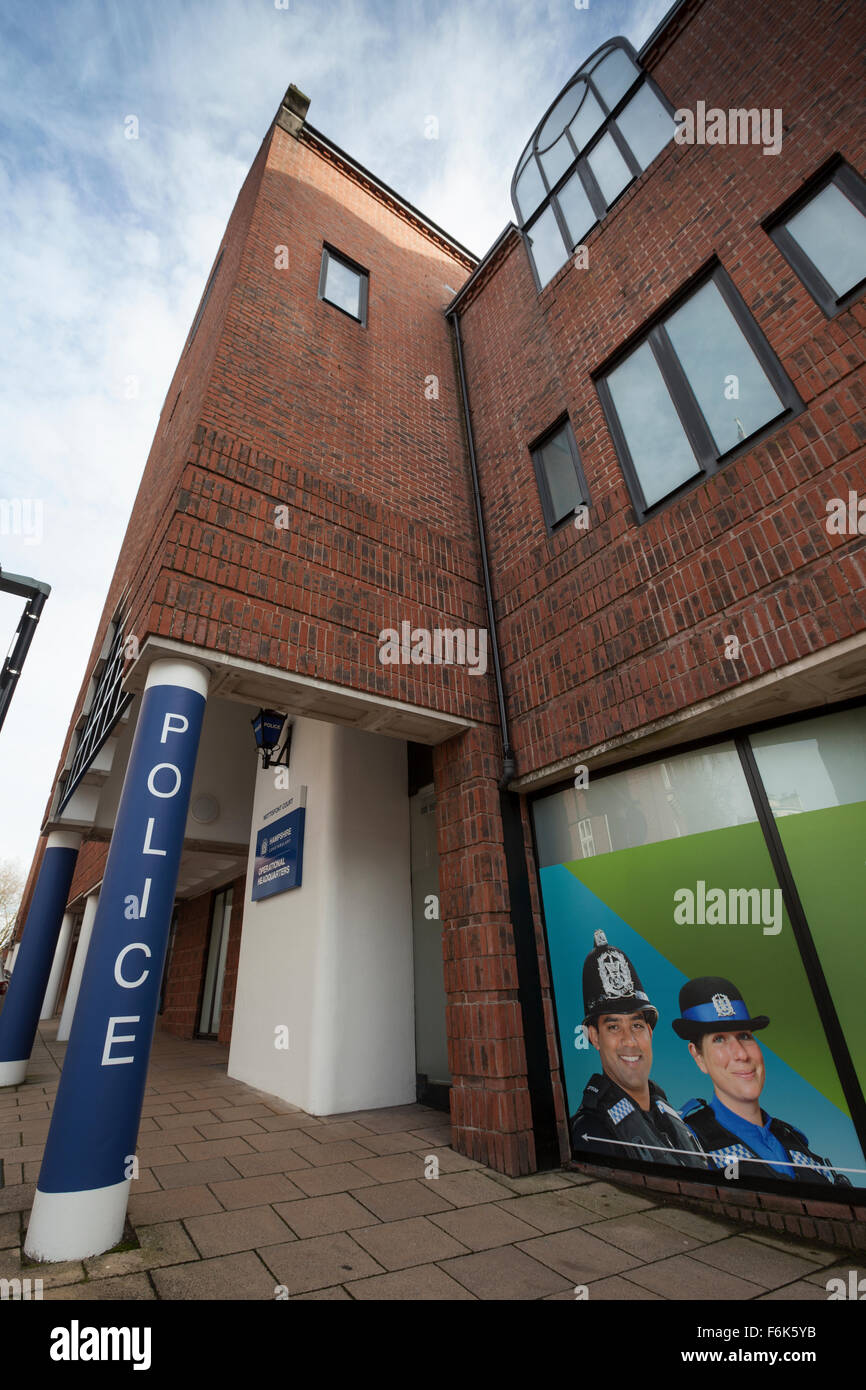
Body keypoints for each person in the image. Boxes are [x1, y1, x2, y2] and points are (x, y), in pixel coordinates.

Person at [673, 976, 850, 1186]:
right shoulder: (689, 1142)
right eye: (719, 1039)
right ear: (698, 1057)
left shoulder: (793, 1142)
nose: (741, 1054)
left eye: (745, 1036)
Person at [569, 930, 707, 1168]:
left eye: (636, 1025)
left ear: (650, 1032)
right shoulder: (590, 1133)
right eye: (613, 1027)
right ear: (594, 1037)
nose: (630, 1040)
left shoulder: (673, 1116)